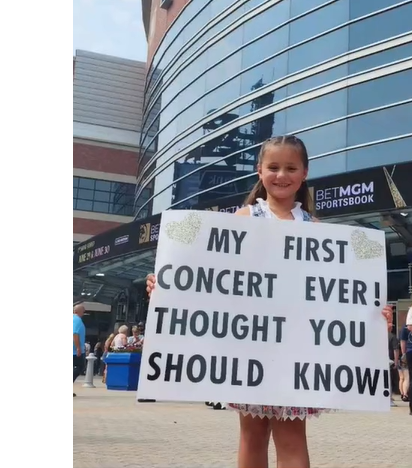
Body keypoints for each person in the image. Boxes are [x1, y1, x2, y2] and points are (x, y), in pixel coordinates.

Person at [146, 134, 394, 468]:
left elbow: (336, 291)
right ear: (260, 172)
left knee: (292, 438)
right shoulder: (245, 218)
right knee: (252, 435)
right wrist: (169, 287)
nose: (282, 175)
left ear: (304, 173)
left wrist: (372, 314)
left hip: (298, 354)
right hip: (251, 350)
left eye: (290, 167)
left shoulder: (317, 229)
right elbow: (208, 274)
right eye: (274, 167)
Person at [73, 304, 86, 396]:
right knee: (80, 366)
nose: (84, 313)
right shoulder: (77, 320)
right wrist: (78, 348)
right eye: (83, 311)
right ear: (78, 311)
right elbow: (75, 334)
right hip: (74, 350)